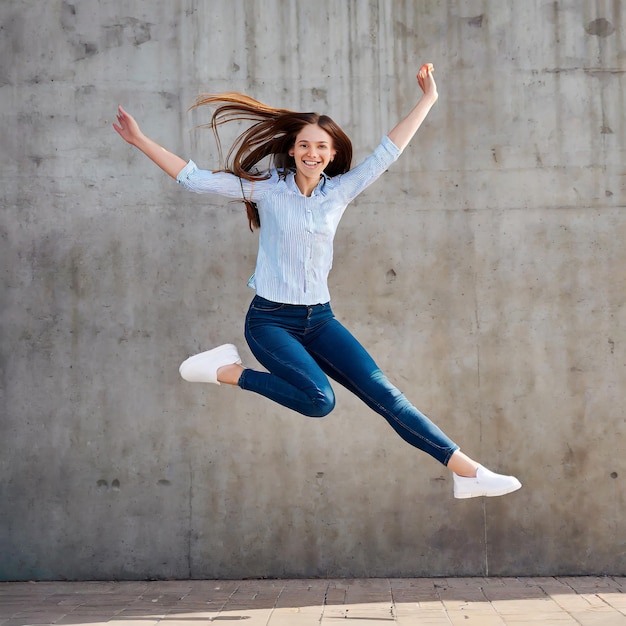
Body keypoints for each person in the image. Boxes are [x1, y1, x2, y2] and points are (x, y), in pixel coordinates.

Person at [113, 64, 521, 499]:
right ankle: (227, 371)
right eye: (304, 145)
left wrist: (428, 99)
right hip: (270, 321)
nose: (312, 153)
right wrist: (140, 140)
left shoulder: (339, 192)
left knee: (387, 396)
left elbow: (389, 151)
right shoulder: (268, 189)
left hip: (321, 320)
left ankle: (468, 471)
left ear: (331, 153)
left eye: (321, 147)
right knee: (318, 401)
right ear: (291, 150)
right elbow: (195, 180)